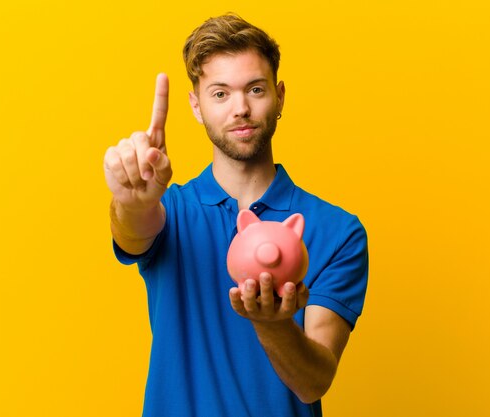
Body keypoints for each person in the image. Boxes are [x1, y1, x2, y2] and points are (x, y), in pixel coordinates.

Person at [104, 14, 368, 417]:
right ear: (196, 105)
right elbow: (133, 232)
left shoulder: (338, 231)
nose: (241, 109)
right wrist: (133, 200)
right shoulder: (169, 211)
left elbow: (314, 382)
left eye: (255, 89)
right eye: (221, 94)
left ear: (279, 96)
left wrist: (273, 324)